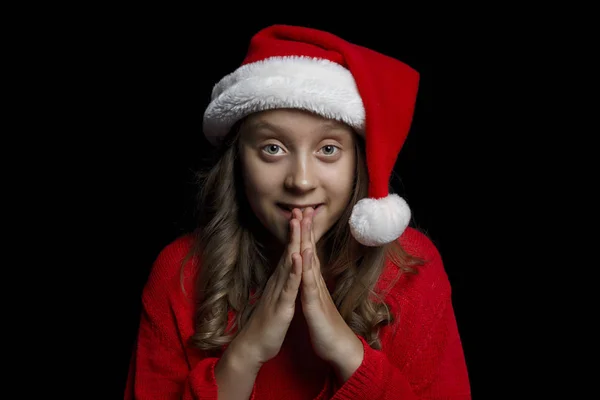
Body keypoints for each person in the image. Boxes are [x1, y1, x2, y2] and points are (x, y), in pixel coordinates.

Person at [124, 24, 471, 399]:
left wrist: (347, 352)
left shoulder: (411, 266)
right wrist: (247, 353)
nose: (301, 181)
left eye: (328, 150)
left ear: (358, 163)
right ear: (238, 160)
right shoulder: (179, 272)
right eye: (273, 148)